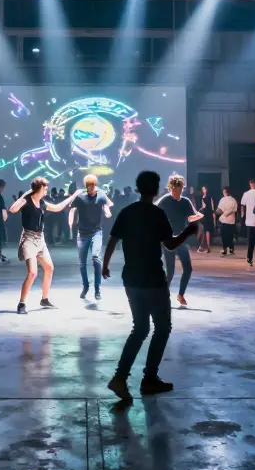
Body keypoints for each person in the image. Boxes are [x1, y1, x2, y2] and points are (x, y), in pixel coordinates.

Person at [102, 170, 200, 400]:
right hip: (153, 280)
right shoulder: (157, 214)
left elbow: (113, 240)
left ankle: (120, 377)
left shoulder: (127, 212)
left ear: (137, 187)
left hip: (131, 279)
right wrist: (187, 232)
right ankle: (149, 378)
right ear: (157, 189)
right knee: (162, 328)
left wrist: (105, 265)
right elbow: (170, 245)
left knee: (140, 328)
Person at [9, 177, 77, 314]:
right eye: (45, 188)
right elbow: (12, 209)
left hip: (40, 240)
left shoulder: (42, 203)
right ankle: (22, 303)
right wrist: (25, 194)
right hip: (28, 239)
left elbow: (57, 208)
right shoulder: (26, 201)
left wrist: (73, 196)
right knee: (32, 272)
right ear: (39, 188)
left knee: (49, 268)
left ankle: (44, 299)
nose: (47, 190)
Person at [156, 174, 202, 307]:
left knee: (188, 268)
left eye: (180, 189)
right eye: (175, 190)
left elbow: (191, 217)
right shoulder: (164, 200)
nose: (177, 192)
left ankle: (180, 294)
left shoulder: (185, 201)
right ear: (170, 189)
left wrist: (198, 216)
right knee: (170, 272)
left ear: (182, 188)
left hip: (181, 239)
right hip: (168, 239)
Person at [68, 174, 113, 301]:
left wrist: (106, 210)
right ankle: (86, 286)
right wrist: (71, 224)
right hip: (82, 234)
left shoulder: (101, 195)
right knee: (82, 263)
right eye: (89, 185)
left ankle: (97, 288)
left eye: (93, 185)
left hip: (96, 232)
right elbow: (72, 209)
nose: (91, 188)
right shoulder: (81, 197)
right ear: (86, 186)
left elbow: (107, 204)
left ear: (95, 184)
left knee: (95, 258)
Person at [240, 180, 255, 266]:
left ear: (250, 184)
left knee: (250, 241)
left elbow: (242, 204)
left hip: (249, 220)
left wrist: (242, 216)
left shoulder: (246, 194)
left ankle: (249, 257)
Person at [216, 187, 238, 255]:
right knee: (230, 236)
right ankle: (231, 249)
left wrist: (215, 212)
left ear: (225, 192)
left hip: (224, 221)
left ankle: (225, 250)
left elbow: (219, 210)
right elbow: (235, 210)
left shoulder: (223, 200)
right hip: (231, 221)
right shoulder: (233, 200)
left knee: (224, 236)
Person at [196, 186, 215, 253]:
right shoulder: (204, 197)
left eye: (204, 189)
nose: (203, 190)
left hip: (207, 215)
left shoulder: (208, 197)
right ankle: (205, 247)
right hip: (205, 215)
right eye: (202, 189)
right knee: (205, 231)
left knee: (206, 231)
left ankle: (206, 247)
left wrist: (212, 213)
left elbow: (209, 206)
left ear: (206, 189)